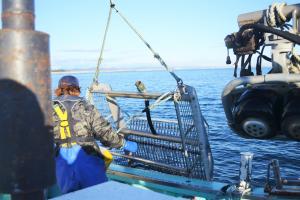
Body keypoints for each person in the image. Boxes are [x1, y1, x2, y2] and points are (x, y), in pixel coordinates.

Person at [52, 75, 137, 194]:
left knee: (70, 195)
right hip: (86, 155)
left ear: (59, 89)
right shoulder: (85, 106)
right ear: (76, 89)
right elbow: (103, 132)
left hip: (61, 161)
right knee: (97, 193)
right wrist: (123, 143)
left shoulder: (49, 107)